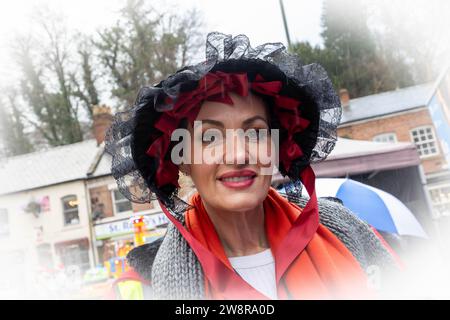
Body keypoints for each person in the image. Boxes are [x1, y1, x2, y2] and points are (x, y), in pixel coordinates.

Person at [105, 32, 398, 300]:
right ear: (181, 160)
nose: (238, 155)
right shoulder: (141, 288)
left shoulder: (347, 232)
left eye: (255, 132)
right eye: (210, 137)